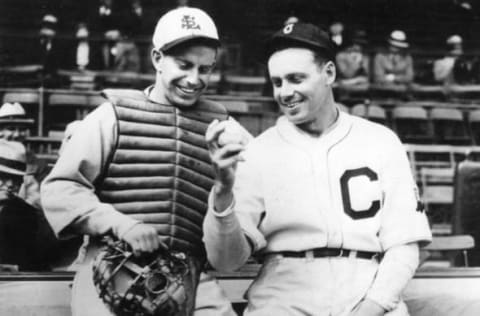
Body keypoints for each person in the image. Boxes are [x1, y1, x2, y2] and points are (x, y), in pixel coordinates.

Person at [204, 22, 432, 316]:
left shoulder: (381, 141)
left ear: (329, 73)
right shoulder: (258, 152)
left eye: (296, 79)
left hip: (368, 287)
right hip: (284, 292)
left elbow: (405, 245)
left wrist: (372, 307)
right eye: (277, 82)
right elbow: (225, 261)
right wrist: (222, 191)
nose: (285, 92)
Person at [41, 6, 237, 316]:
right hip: (111, 268)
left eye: (205, 68)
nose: (194, 79)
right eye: (184, 65)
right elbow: (59, 189)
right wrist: (121, 223)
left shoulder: (222, 125)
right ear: (157, 58)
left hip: (189, 276)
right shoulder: (113, 116)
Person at [0, 102, 47, 209]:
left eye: (22, 129)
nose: (17, 134)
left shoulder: (37, 163)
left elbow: (37, 201)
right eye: (11, 129)